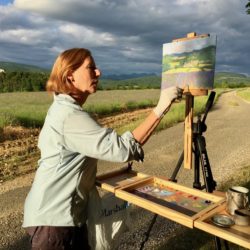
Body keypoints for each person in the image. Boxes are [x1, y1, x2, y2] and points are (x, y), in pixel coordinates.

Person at [23, 48, 180, 250]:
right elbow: (122, 149)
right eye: (91, 68)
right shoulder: (69, 116)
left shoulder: (64, 110)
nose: (98, 73)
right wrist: (160, 108)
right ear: (69, 75)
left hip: (58, 218)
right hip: (55, 223)